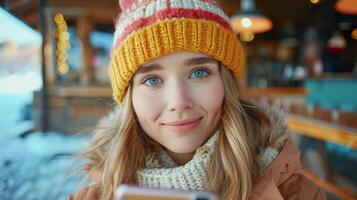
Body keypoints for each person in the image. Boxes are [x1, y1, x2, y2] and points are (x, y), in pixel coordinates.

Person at [70, 0, 326, 199]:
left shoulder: (296, 193)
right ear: (129, 97)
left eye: (199, 72)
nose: (178, 101)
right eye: (151, 79)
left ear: (226, 82)